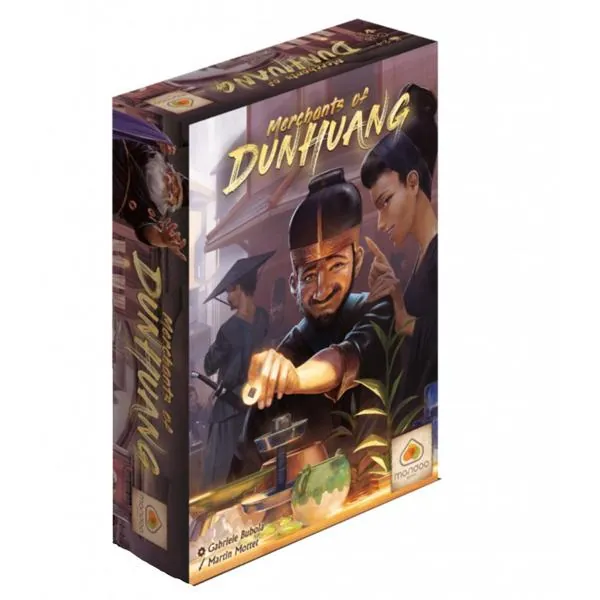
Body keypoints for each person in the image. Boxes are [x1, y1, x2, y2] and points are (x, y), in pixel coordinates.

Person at [238, 168, 394, 474]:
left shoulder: (378, 311)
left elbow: (344, 358)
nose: (321, 289)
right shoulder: (281, 361)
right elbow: (246, 465)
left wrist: (295, 380)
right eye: (309, 275)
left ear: (358, 260)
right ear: (293, 283)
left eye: (336, 265)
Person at [360, 83, 438, 428]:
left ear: (413, 182)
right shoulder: (424, 257)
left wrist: (402, 313)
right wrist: (394, 299)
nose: (380, 222)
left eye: (385, 202)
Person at [199, 251, 274, 488]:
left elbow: (208, 365)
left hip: (230, 410)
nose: (227, 296)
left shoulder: (228, 329)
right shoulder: (263, 317)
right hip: (253, 405)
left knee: (218, 475)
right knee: (247, 470)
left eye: (229, 291)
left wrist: (218, 348)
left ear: (239, 288)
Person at [112, 109, 186, 260]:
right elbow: (128, 127)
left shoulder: (150, 211)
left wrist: (162, 240)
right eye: (175, 181)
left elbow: (148, 232)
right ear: (169, 171)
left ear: (168, 203)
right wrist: (153, 137)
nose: (170, 185)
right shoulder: (148, 152)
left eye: (174, 193)